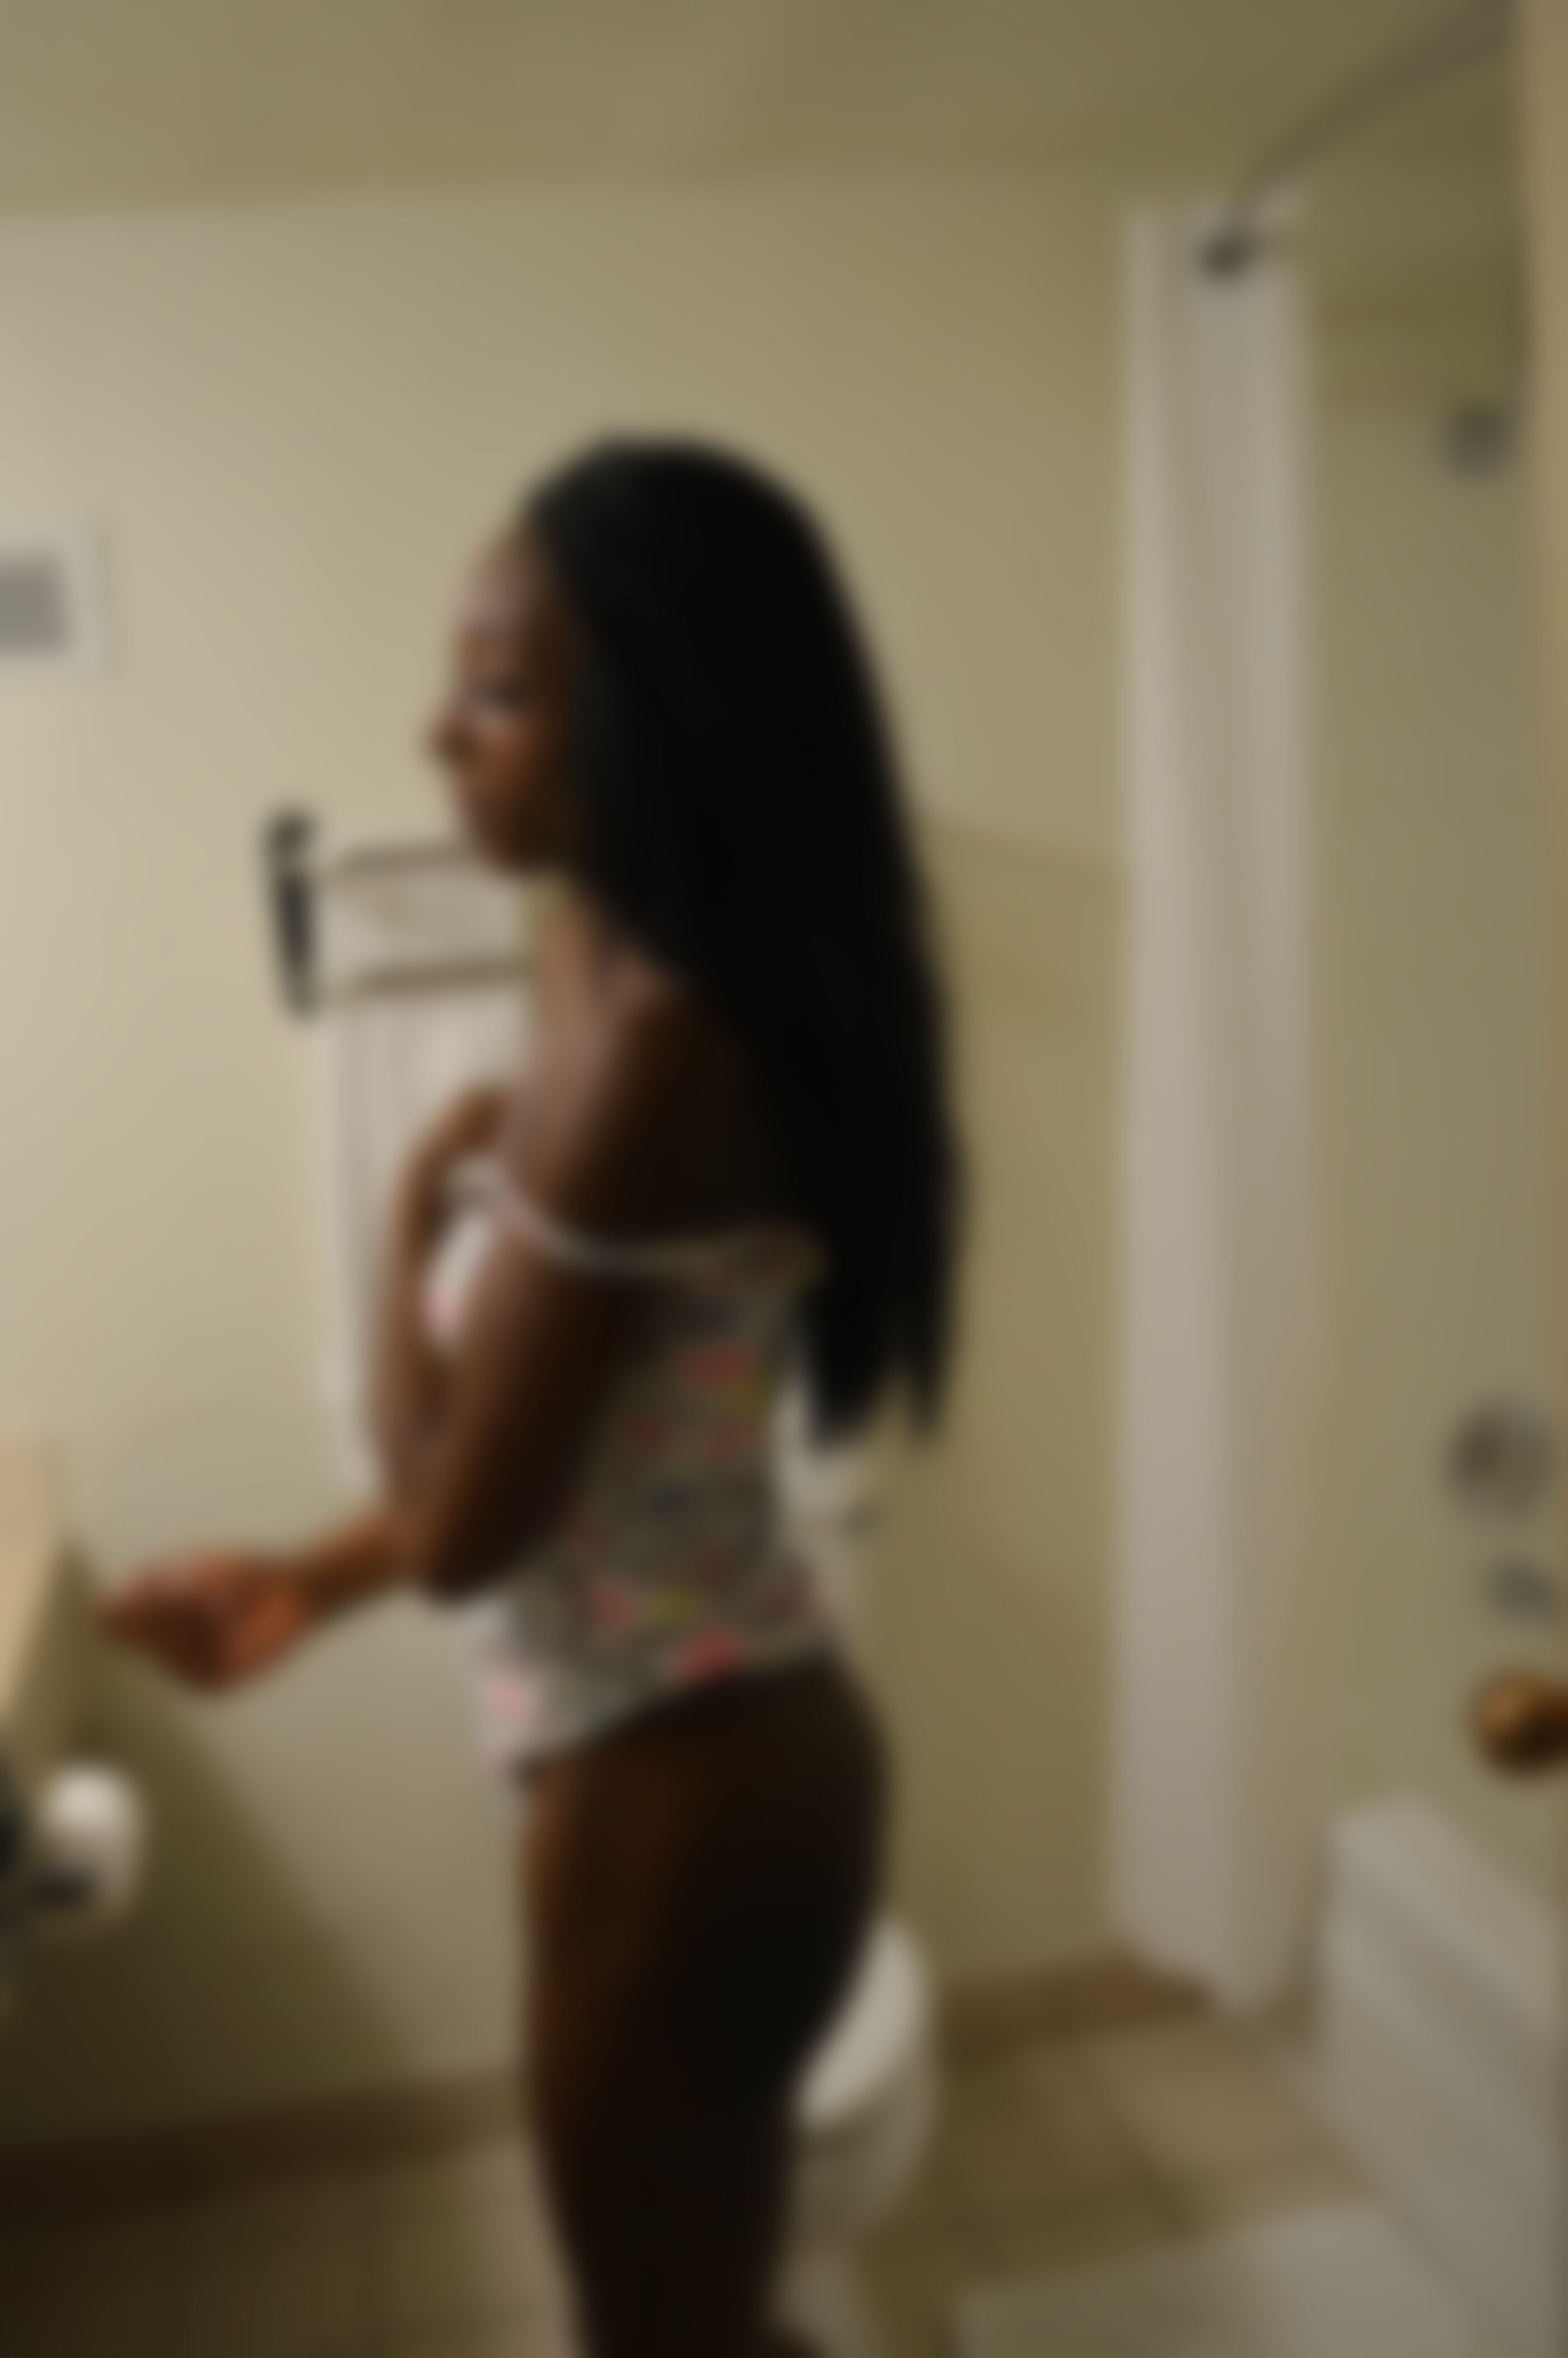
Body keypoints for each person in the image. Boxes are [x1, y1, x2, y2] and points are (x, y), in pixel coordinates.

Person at [102, 440, 962, 2358]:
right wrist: (304, 1579)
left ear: (658, 719)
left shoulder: (659, 1040)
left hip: (680, 1803)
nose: (438, 732)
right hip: (712, 1759)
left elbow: (465, 1527)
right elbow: (555, 1448)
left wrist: (412, 1203)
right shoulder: (605, 961)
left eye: (495, 691)